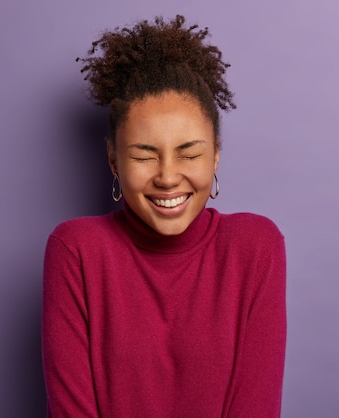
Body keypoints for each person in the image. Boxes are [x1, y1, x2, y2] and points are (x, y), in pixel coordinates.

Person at [42, 15, 286, 417]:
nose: (169, 177)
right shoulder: (76, 250)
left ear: (216, 155)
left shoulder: (255, 246)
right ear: (113, 160)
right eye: (143, 155)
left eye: (189, 154)